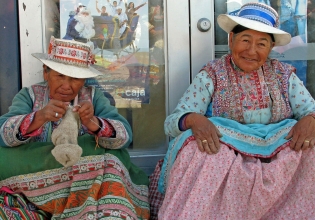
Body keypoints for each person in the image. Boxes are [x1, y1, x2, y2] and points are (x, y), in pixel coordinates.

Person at [152, 2, 315, 219]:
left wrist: (311, 118)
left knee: (308, 144)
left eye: (262, 44)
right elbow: (172, 122)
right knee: (196, 147)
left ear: (271, 48)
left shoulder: (284, 75)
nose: (251, 51)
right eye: (245, 40)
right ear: (231, 40)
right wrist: (193, 119)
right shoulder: (213, 74)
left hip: (276, 154)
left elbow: (309, 110)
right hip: (226, 154)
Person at [0, 36, 150, 219]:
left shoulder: (93, 97)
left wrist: (92, 123)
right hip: (37, 174)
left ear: (84, 80)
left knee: (108, 152)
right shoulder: (30, 96)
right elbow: (2, 132)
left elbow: (125, 135)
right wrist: (38, 118)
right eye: (59, 76)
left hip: (81, 175)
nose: (66, 86)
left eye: (75, 79)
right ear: (45, 73)